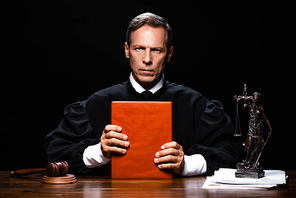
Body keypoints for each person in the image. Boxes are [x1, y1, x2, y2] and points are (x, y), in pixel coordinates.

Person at [43, 12, 240, 176]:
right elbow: (54, 152)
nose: (147, 59)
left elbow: (231, 154)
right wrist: (99, 152)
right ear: (127, 50)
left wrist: (186, 164)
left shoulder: (196, 104)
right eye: (139, 49)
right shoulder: (96, 103)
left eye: (156, 50)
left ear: (169, 54)